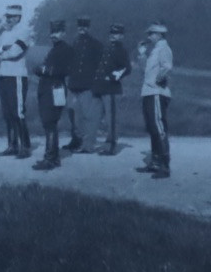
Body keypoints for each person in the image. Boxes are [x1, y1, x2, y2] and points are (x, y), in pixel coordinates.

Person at [0, 4, 33, 158]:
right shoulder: (4, 34)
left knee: (18, 112)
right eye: (6, 17)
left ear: (17, 17)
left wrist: (0, 52)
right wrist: (2, 49)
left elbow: (15, 52)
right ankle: (12, 145)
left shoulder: (24, 31)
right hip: (3, 75)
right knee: (7, 113)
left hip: (17, 76)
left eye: (10, 17)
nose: (7, 19)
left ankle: (25, 146)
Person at [33, 19, 74, 172]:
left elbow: (67, 70)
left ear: (63, 33)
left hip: (56, 88)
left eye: (57, 32)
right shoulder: (55, 49)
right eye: (52, 32)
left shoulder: (66, 49)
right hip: (48, 88)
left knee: (50, 122)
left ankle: (50, 158)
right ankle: (52, 156)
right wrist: (42, 69)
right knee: (48, 123)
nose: (53, 35)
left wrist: (44, 70)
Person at [62, 16, 103, 154]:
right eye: (80, 26)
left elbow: (101, 66)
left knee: (89, 117)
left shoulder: (96, 44)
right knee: (74, 116)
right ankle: (76, 141)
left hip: (88, 85)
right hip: (74, 85)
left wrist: (97, 83)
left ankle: (88, 145)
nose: (82, 29)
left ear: (89, 27)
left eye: (85, 26)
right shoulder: (74, 43)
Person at [138, 23, 174, 179]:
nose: (149, 36)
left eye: (151, 33)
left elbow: (167, 67)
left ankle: (164, 166)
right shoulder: (155, 50)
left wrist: (159, 79)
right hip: (149, 92)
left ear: (160, 35)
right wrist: (142, 54)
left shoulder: (163, 48)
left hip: (157, 92)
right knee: (152, 127)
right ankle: (155, 162)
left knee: (158, 128)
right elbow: (145, 70)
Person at [92, 23, 132, 155]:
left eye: (116, 34)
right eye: (112, 33)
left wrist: (114, 76)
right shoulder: (107, 49)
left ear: (122, 36)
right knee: (100, 117)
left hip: (112, 89)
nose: (113, 36)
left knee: (112, 119)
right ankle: (106, 144)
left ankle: (111, 146)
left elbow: (127, 68)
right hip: (101, 88)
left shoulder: (121, 50)